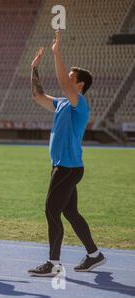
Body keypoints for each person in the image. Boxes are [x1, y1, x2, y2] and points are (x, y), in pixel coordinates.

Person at [28, 31, 106, 277]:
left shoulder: (79, 102)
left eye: (72, 78)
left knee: (52, 211)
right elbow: (38, 96)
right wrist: (34, 69)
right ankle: (95, 255)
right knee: (69, 212)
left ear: (79, 84)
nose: (66, 80)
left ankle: (53, 263)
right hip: (63, 166)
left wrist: (56, 52)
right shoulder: (62, 102)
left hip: (68, 167)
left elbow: (63, 84)